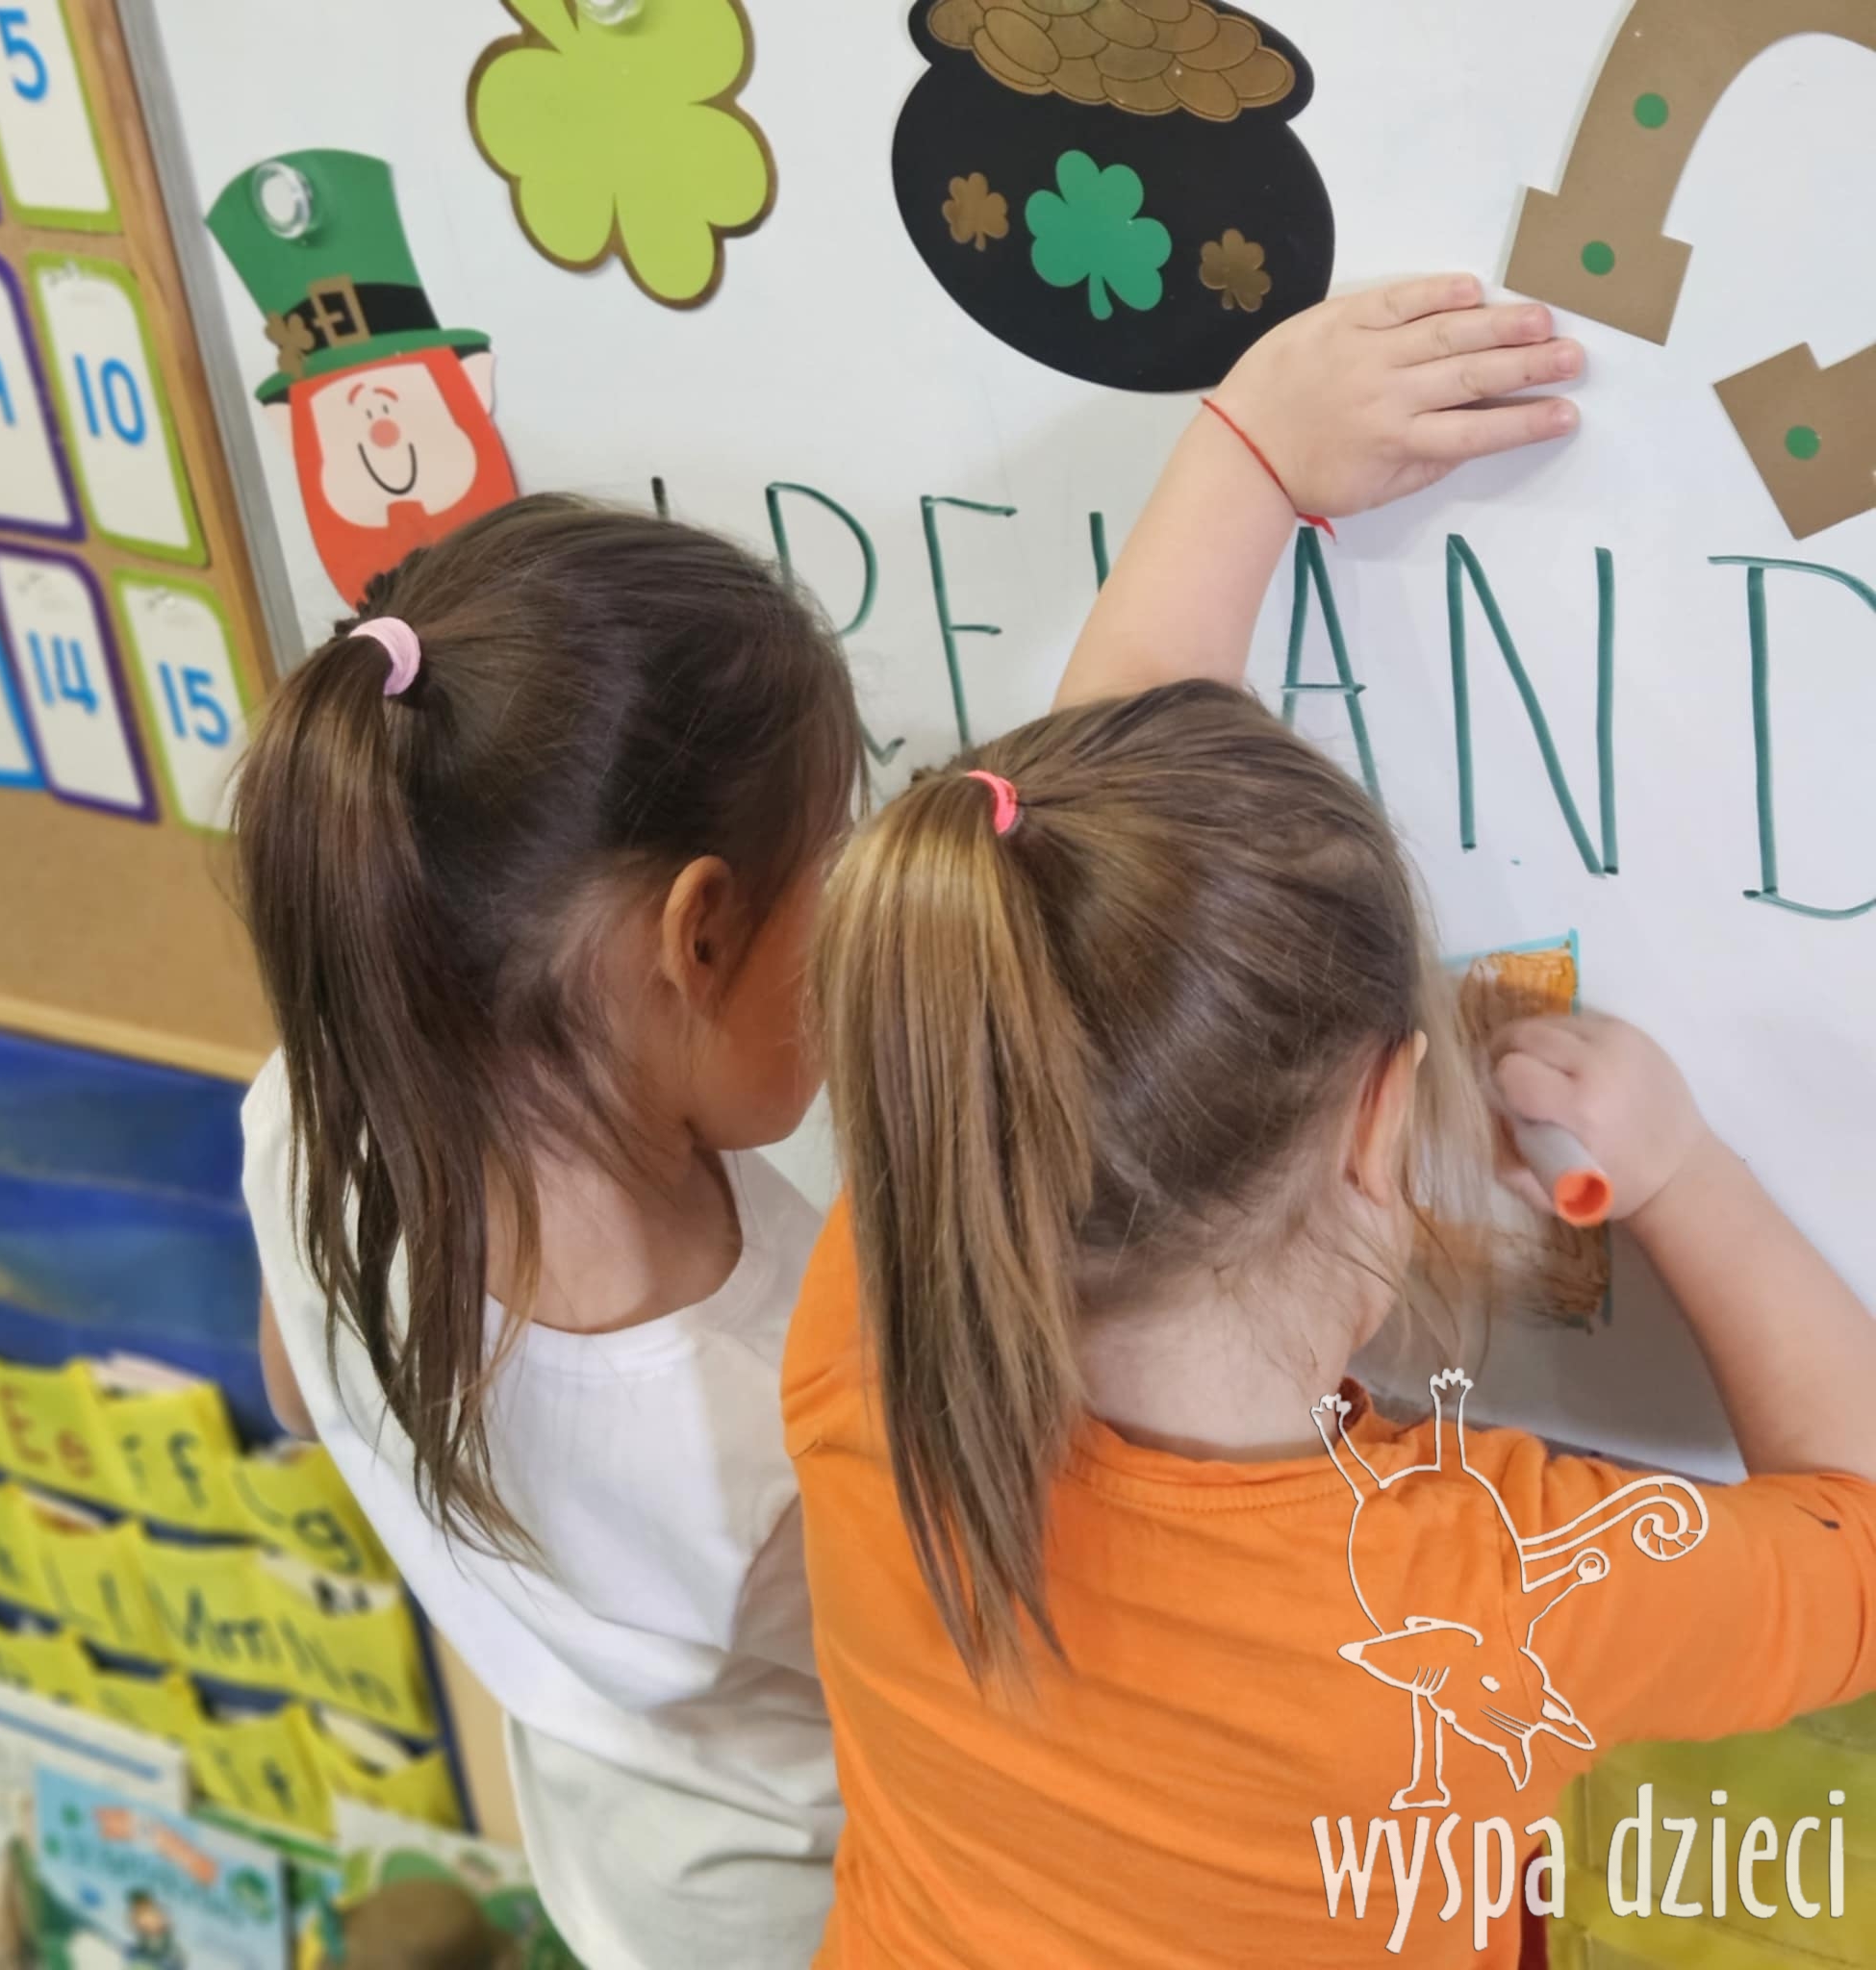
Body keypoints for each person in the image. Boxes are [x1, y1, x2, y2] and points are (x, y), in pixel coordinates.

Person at [237, 276, 1584, 1969]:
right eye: (838, 856)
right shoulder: (799, 1397)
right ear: (700, 938)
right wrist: (1238, 460)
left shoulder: (324, 1111)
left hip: (621, 1852)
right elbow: (1095, 946)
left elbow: (297, 1377)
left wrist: (1249, 460)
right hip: (821, 1900)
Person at [790, 403, 1876, 1962]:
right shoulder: (1488, 1599)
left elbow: (1077, 914)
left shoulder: (875, 1346)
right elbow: (1859, 1532)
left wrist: (1249, 459)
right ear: (1384, 1125)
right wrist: (1688, 1172)